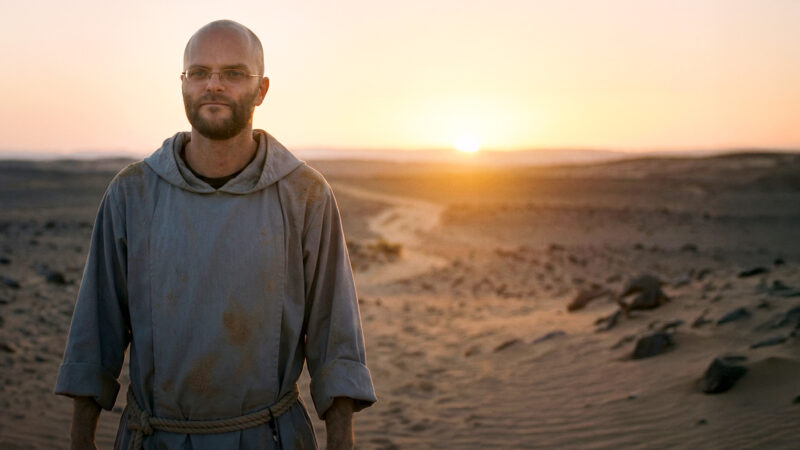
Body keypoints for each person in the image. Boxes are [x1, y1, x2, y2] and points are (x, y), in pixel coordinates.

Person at [55, 19, 376, 450]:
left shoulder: (305, 195)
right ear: (183, 85)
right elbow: (98, 325)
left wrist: (341, 438)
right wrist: (81, 437)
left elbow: (333, 330)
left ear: (261, 90)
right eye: (200, 72)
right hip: (155, 438)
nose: (214, 85)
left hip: (270, 437)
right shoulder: (132, 192)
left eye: (233, 74)